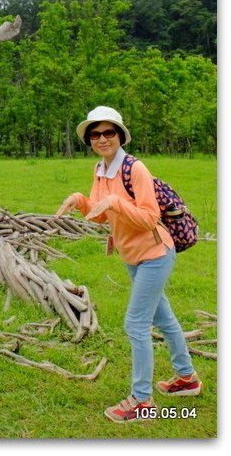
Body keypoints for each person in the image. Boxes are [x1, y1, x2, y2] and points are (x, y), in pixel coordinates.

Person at [56, 105, 202, 423]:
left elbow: (149, 217)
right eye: (95, 134)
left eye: (109, 132)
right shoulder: (100, 170)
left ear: (120, 136)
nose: (102, 138)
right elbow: (100, 213)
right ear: (90, 140)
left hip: (155, 253)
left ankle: (141, 401)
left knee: (135, 325)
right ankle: (186, 378)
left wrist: (117, 202)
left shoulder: (135, 169)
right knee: (164, 319)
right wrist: (81, 200)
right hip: (132, 256)